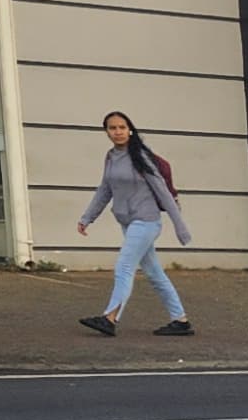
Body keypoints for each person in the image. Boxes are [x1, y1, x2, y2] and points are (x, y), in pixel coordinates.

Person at [75, 113, 195, 338]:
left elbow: (163, 192)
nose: (118, 131)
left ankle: (110, 318)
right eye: (112, 128)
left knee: (124, 267)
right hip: (128, 223)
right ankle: (180, 320)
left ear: (130, 130)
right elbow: (105, 190)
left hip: (146, 221)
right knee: (154, 273)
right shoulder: (111, 157)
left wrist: (180, 226)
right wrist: (87, 217)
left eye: (122, 127)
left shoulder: (141, 157)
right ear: (107, 132)